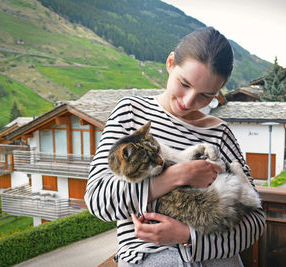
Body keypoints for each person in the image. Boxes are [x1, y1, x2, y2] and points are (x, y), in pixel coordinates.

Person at [85, 27, 266, 266]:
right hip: (150, 258)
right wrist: (178, 175)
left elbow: (256, 221)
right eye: (184, 83)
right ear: (170, 63)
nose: (189, 101)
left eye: (206, 95)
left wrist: (188, 236)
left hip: (216, 259)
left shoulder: (220, 132)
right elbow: (97, 200)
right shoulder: (131, 113)